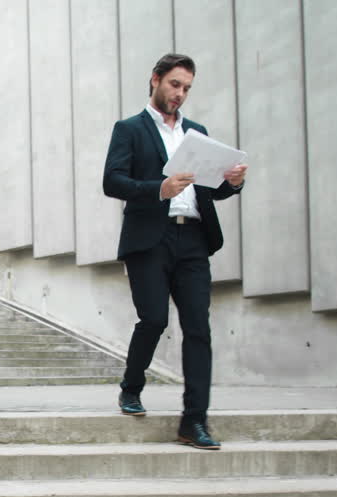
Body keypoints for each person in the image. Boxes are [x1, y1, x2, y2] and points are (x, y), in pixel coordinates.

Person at [102, 53, 248, 450]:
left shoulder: (196, 132)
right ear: (155, 80)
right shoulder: (129, 129)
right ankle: (131, 387)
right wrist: (158, 189)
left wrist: (232, 182)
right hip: (151, 238)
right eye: (174, 85)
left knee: (198, 329)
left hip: (194, 239)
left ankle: (193, 421)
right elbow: (112, 181)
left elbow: (209, 188)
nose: (180, 94)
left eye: (186, 88)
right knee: (152, 319)